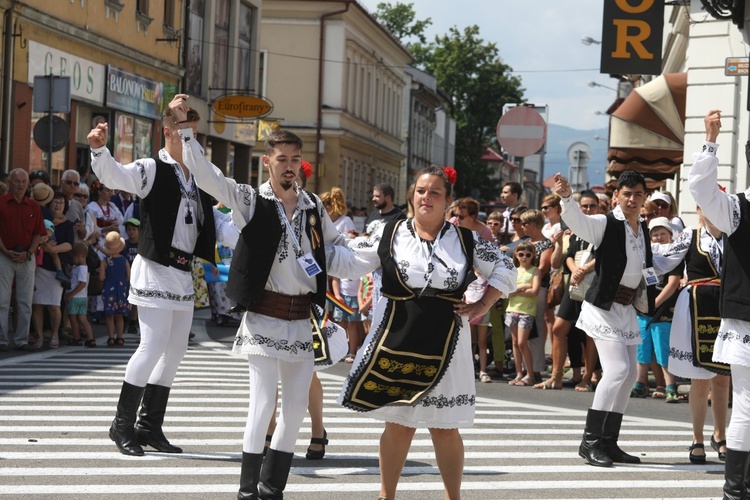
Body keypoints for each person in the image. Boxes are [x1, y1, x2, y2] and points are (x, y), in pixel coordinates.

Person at [172, 92, 351, 499]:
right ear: (267, 161)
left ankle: (273, 489)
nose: (288, 166)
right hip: (264, 318)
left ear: (300, 163)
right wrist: (186, 131)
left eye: (294, 159)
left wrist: (383, 254)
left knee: (294, 411)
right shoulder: (252, 200)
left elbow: (338, 253)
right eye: (281, 159)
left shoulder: (312, 207)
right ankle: (247, 490)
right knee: (262, 403)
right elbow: (208, 176)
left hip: (301, 320)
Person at [333, 166, 516, 500]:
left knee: (444, 428)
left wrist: (483, 304)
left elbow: (506, 267)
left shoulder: (465, 239)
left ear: (447, 200)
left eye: (435, 192)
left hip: (448, 342)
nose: (426, 197)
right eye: (421, 191)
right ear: (410, 195)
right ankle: (386, 496)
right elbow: (348, 261)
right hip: (398, 336)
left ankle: (453, 497)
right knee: (399, 424)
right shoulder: (389, 233)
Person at [87, 97, 217, 457]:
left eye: (193, 129)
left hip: (183, 272)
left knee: (175, 352)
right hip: (155, 268)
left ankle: (149, 426)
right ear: (168, 131)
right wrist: (100, 151)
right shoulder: (151, 168)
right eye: (182, 129)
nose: (190, 136)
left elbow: (215, 219)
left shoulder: (199, 175)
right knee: (152, 346)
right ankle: (122, 426)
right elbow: (117, 176)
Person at [554, 170, 680, 468]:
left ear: (644, 197)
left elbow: (651, 265)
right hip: (603, 306)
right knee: (617, 370)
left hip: (626, 308)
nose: (633, 199)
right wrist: (565, 197)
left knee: (626, 377)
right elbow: (578, 222)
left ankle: (609, 442)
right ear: (617, 196)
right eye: (627, 194)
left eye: (638, 194)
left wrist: (683, 249)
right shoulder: (605, 222)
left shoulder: (642, 229)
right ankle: (589, 442)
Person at [686, 109, 750, 499]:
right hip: (747, 319)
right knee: (746, 402)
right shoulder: (739, 207)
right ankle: (735, 488)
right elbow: (700, 190)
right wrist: (710, 140)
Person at [660, 207, 729, 464]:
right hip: (696, 305)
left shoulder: (733, 235)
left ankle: (720, 435)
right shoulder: (691, 234)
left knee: (723, 378)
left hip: (725, 307)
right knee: (700, 379)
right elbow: (665, 260)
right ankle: (697, 438)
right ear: (699, 208)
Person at [535, 190, 600, 391]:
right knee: (558, 328)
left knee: (590, 334)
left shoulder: (601, 228)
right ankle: (555, 377)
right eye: (585, 206)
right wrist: (575, 271)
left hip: (594, 287)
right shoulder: (576, 229)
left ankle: (587, 378)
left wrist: (583, 270)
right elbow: (568, 255)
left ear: (597, 207)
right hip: (574, 286)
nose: (588, 209)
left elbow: (606, 256)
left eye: (592, 206)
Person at [631, 217, 682, 401]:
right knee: (642, 348)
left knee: (663, 349)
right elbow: (647, 280)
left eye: (663, 234)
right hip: (644, 310)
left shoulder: (675, 257)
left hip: (665, 310)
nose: (659, 238)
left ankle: (670, 386)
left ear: (670, 235)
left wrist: (655, 303)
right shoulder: (648, 256)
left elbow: (673, 283)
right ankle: (640, 383)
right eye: (655, 234)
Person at [0, 169, 46, 352]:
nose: (20, 184)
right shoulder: (1, 203)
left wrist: (29, 253)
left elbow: (38, 233)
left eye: (23, 181)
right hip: (4, 255)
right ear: (10, 182)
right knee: (2, 300)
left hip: (27, 257)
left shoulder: (34, 206)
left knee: (25, 301)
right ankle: (2, 340)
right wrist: (5, 250)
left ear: (28, 184)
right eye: (16, 181)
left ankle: (21, 340)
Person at [31, 192, 75, 349]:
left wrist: (53, 249)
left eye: (61, 203)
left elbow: (70, 245)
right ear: (49, 204)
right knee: (37, 304)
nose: (58, 205)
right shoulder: (42, 220)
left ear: (65, 206)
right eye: (55, 202)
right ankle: (40, 336)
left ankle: (55, 334)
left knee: (54, 305)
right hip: (39, 267)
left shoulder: (68, 225)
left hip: (58, 271)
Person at [505, 241, 540, 386]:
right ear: (516, 255)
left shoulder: (535, 271)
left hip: (526, 311)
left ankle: (530, 374)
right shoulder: (513, 270)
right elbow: (508, 293)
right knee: (514, 343)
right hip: (512, 309)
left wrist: (517, 290)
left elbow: (535, 291)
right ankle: (519, 373)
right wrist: (524, 287)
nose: (524, 257)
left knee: (522, 342)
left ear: (532, 256)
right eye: (521, 254)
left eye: (528, 254)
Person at [99, 231, 131, 346]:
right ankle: (120, 337)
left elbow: (101, 277)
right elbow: (128, 276)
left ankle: (111, 337)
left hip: (109, 288)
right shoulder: (124, 260)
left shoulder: (105, 261)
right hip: (121, 289)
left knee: (109, 315)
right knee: (119, 315)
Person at [65, 240, 96, 347]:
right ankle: (90, 338)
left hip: (76, 297)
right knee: (82, 318)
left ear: (78, 256)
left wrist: (71, 294)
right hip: (83, 298)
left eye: (73, 257)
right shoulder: (78, 267)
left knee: (73, 318)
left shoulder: (82, 268)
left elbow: (82, 283)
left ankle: (77, 338)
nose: (72, 260)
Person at [123, 218, 140, 334]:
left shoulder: (143, 244)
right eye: (129, 229)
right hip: (126, 276)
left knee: (136, 300)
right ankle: (124, 320)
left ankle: (133, 321)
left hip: (139, 276)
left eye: (134, 229)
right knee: (125, 299)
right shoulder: (124, 244)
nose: (131, 232)